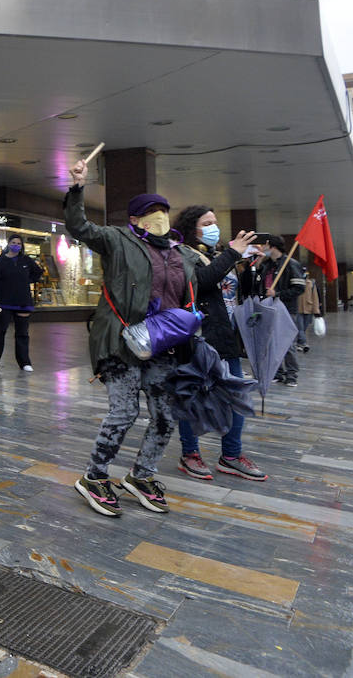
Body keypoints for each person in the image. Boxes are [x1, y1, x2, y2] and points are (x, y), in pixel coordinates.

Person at [64, 161, 243, 518]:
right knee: (125, 411)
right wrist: (78, 188)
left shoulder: (181, 253)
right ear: (134, 219)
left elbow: (204, 281)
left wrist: (233, 254)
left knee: (166, 416)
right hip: (121, 343)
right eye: (149, 213)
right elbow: (79, 227)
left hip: (164, 346)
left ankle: (141, 475)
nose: (157, 217)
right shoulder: (118, 240)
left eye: (162, 211)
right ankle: (94, 477)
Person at [171, 206, 264, 481]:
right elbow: (201, 282)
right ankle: (190, 453)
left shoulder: (217, 255)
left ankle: (231, 456)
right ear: (191, 228)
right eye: (206, 222)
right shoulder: (182, 253)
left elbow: (233, 293)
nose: (214, 227)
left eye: (215, 222)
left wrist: (248, 269)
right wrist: (233, 253)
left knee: (237, 396)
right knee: (192, 397)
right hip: (198, 336)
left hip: (225, 335)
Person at [0, 233, 43, 371]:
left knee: (22, 333)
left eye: (18, 243)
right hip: (2, 303)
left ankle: (25, 363)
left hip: (23, 302)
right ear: (8, 244)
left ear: (21, 246)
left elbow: (38, 272)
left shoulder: (26, 260)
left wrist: (26, 281)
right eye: (13, 242)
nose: (16, 245)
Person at [257, 236, 306, 386]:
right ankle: (277, 372)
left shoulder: (291, 264)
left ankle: (292, 375)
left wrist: (277, 294)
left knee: (287, 342)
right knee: (271, 341)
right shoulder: (267, 265)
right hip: (268, 307)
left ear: (272, 246)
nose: (262, 248)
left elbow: (299, 288)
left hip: (285, 308)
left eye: (264, 245)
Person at [294, 269, 320, 353]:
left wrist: (316, 310)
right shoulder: (296, 283)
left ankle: (298, 344)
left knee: (304, 328)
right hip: (298, 309)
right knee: (300, 328)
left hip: (308, 309)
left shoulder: (311, 284)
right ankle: (304, 343)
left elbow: (315, 297)